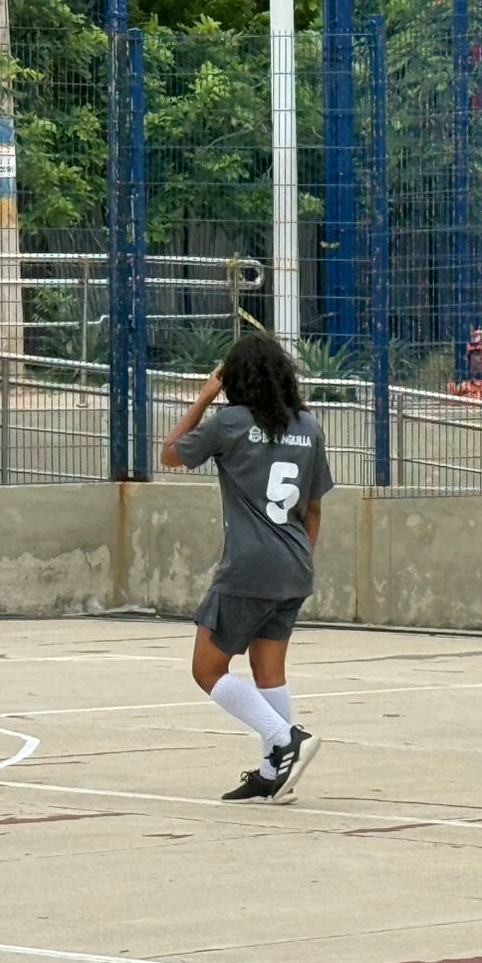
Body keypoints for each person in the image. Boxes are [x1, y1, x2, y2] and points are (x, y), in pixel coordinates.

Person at [160, 334, 333, 802]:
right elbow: (314, 509)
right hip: (295, 563)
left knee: (206, 669)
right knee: (267, 667)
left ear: (235, 378)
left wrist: (203, 397)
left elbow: (170, 453)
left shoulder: (229, 422)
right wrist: (299, 560)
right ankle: (272, 774)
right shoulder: (309, 428)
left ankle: (287, 739)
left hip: (248, 565)